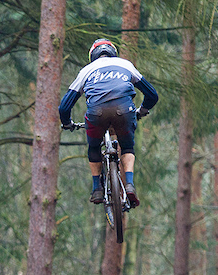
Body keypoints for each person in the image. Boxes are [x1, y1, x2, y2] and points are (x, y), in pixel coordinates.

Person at [58, 38, 159, 208]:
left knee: (94, 147)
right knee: (127, 147)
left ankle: (97, 189)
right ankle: (129, 184)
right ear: (113, 53)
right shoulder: (125, 65)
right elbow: (152, 95)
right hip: (124, 110)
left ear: (92, 55)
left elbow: (64, 107)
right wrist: (142, 110)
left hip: (97, 113)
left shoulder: (86, 71)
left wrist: (67, 123)